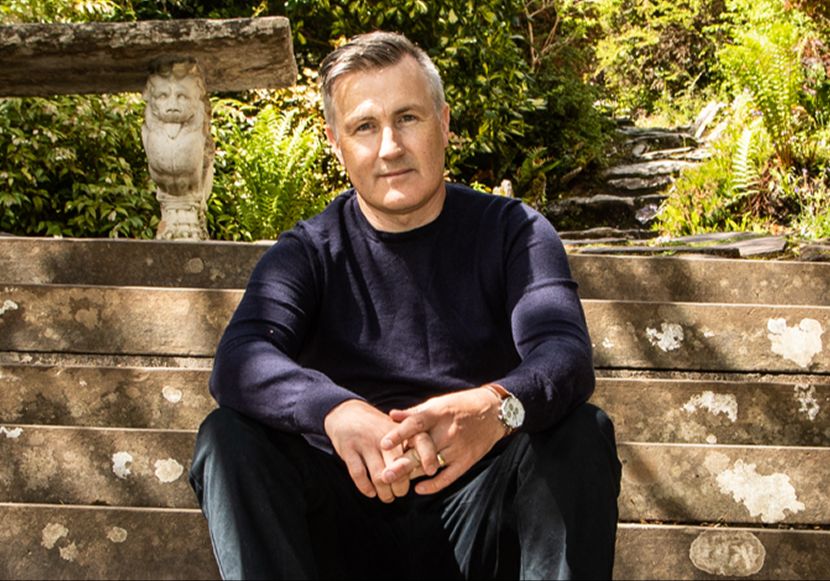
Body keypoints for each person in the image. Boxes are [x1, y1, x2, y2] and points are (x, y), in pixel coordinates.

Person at [189, 30, 621, 580]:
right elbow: (240, 359)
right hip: (343, 524)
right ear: (337, 143)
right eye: (365, 127)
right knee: (227, 439)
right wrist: (335, 411)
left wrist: (495, 408)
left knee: (580, 433)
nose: (389, 146)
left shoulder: (513, 231)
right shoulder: (307, 252)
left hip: (482, 519)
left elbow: (564, 354)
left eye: (408, 118)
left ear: (443, 123)